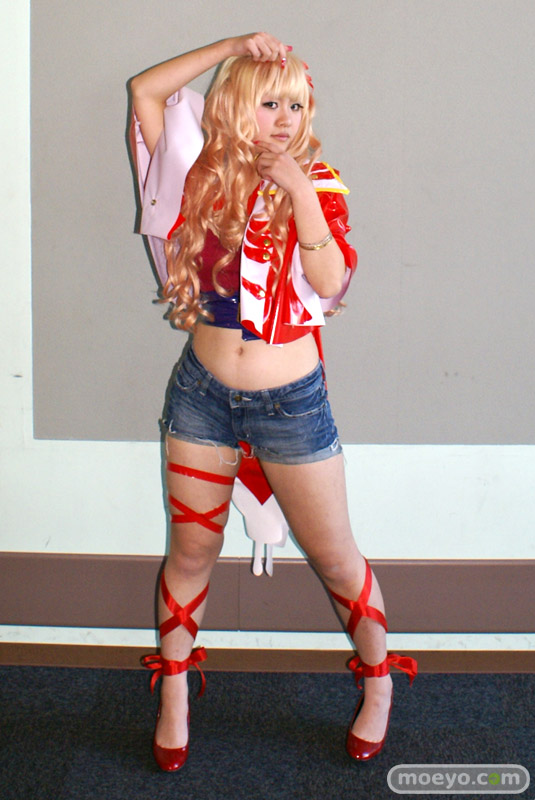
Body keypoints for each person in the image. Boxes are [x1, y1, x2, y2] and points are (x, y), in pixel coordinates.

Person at [129, 32, 416, 772]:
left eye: (295, 104)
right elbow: (145, 92)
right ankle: (174, 695)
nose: (284, 118)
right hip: (200, 395)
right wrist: (231, 44)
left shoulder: (318, 182)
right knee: (191, 552)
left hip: (290, 404)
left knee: (335, 557)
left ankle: (380, 683)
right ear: (233, 104)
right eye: (267, 102)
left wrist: (297, 191)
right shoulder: (191, 171)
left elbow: (331, 284)